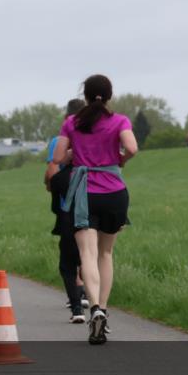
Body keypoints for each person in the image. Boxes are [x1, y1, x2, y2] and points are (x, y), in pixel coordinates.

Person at [50, 74, 138, 345]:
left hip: (84, 193)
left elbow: (57, 158)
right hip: (114, 192)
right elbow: (132, 148)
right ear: (109, 96)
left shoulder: (72, 123)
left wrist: (72, 156)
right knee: (106, 253)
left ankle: (94, 309)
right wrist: (119, 160)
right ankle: (104, 309)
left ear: (85, 96)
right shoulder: (119, 120)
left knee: (86, 254)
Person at [45, 99, 88, 323]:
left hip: (67, 206)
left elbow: (52, 172)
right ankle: (95, 302)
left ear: (67, 118)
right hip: (97, 202)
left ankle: (77, 305)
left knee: (68, 257)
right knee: (91, 253)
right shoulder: (97, 137)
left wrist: (52, 186)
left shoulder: (58, 141)